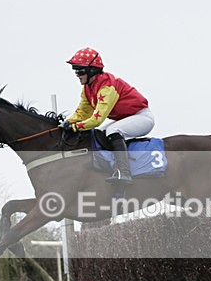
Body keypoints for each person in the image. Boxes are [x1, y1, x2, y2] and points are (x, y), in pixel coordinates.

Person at [63, 47, 154, 184]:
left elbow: (96, 120)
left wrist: (75, 127)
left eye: (80, 71)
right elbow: (82, 112)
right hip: (125, 118)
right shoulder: (88, 88)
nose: (77, 75)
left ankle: (124, 173)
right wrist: (67, 122)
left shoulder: (107, 87)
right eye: (75, 70)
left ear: (92, 70)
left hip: (142, 117)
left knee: (112, 131)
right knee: (99, 133)